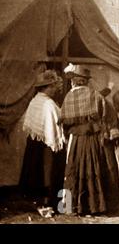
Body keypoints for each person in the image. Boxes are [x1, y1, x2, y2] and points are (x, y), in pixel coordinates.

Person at [60, 66, 119, 216]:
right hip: (95, 141)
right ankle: (98, 206)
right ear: (86, 82)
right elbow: (109, 117)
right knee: (98, 168)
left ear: (73, 83)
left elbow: (64, 124)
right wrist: (113, 134)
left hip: (77, 141)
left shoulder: (68, 98)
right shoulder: (96, 96)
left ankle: (72, 206)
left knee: (75, 170)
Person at [20, 70, 66, 218]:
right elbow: (55, 124)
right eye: (53, 87)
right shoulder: (47, 103)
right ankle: (48, 203)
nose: (55, 89)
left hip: (35, 143)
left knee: (36, 172)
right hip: (46, 145)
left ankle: (40, 202)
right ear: (47, 87)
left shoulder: (35, 100)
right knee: (48, 173)